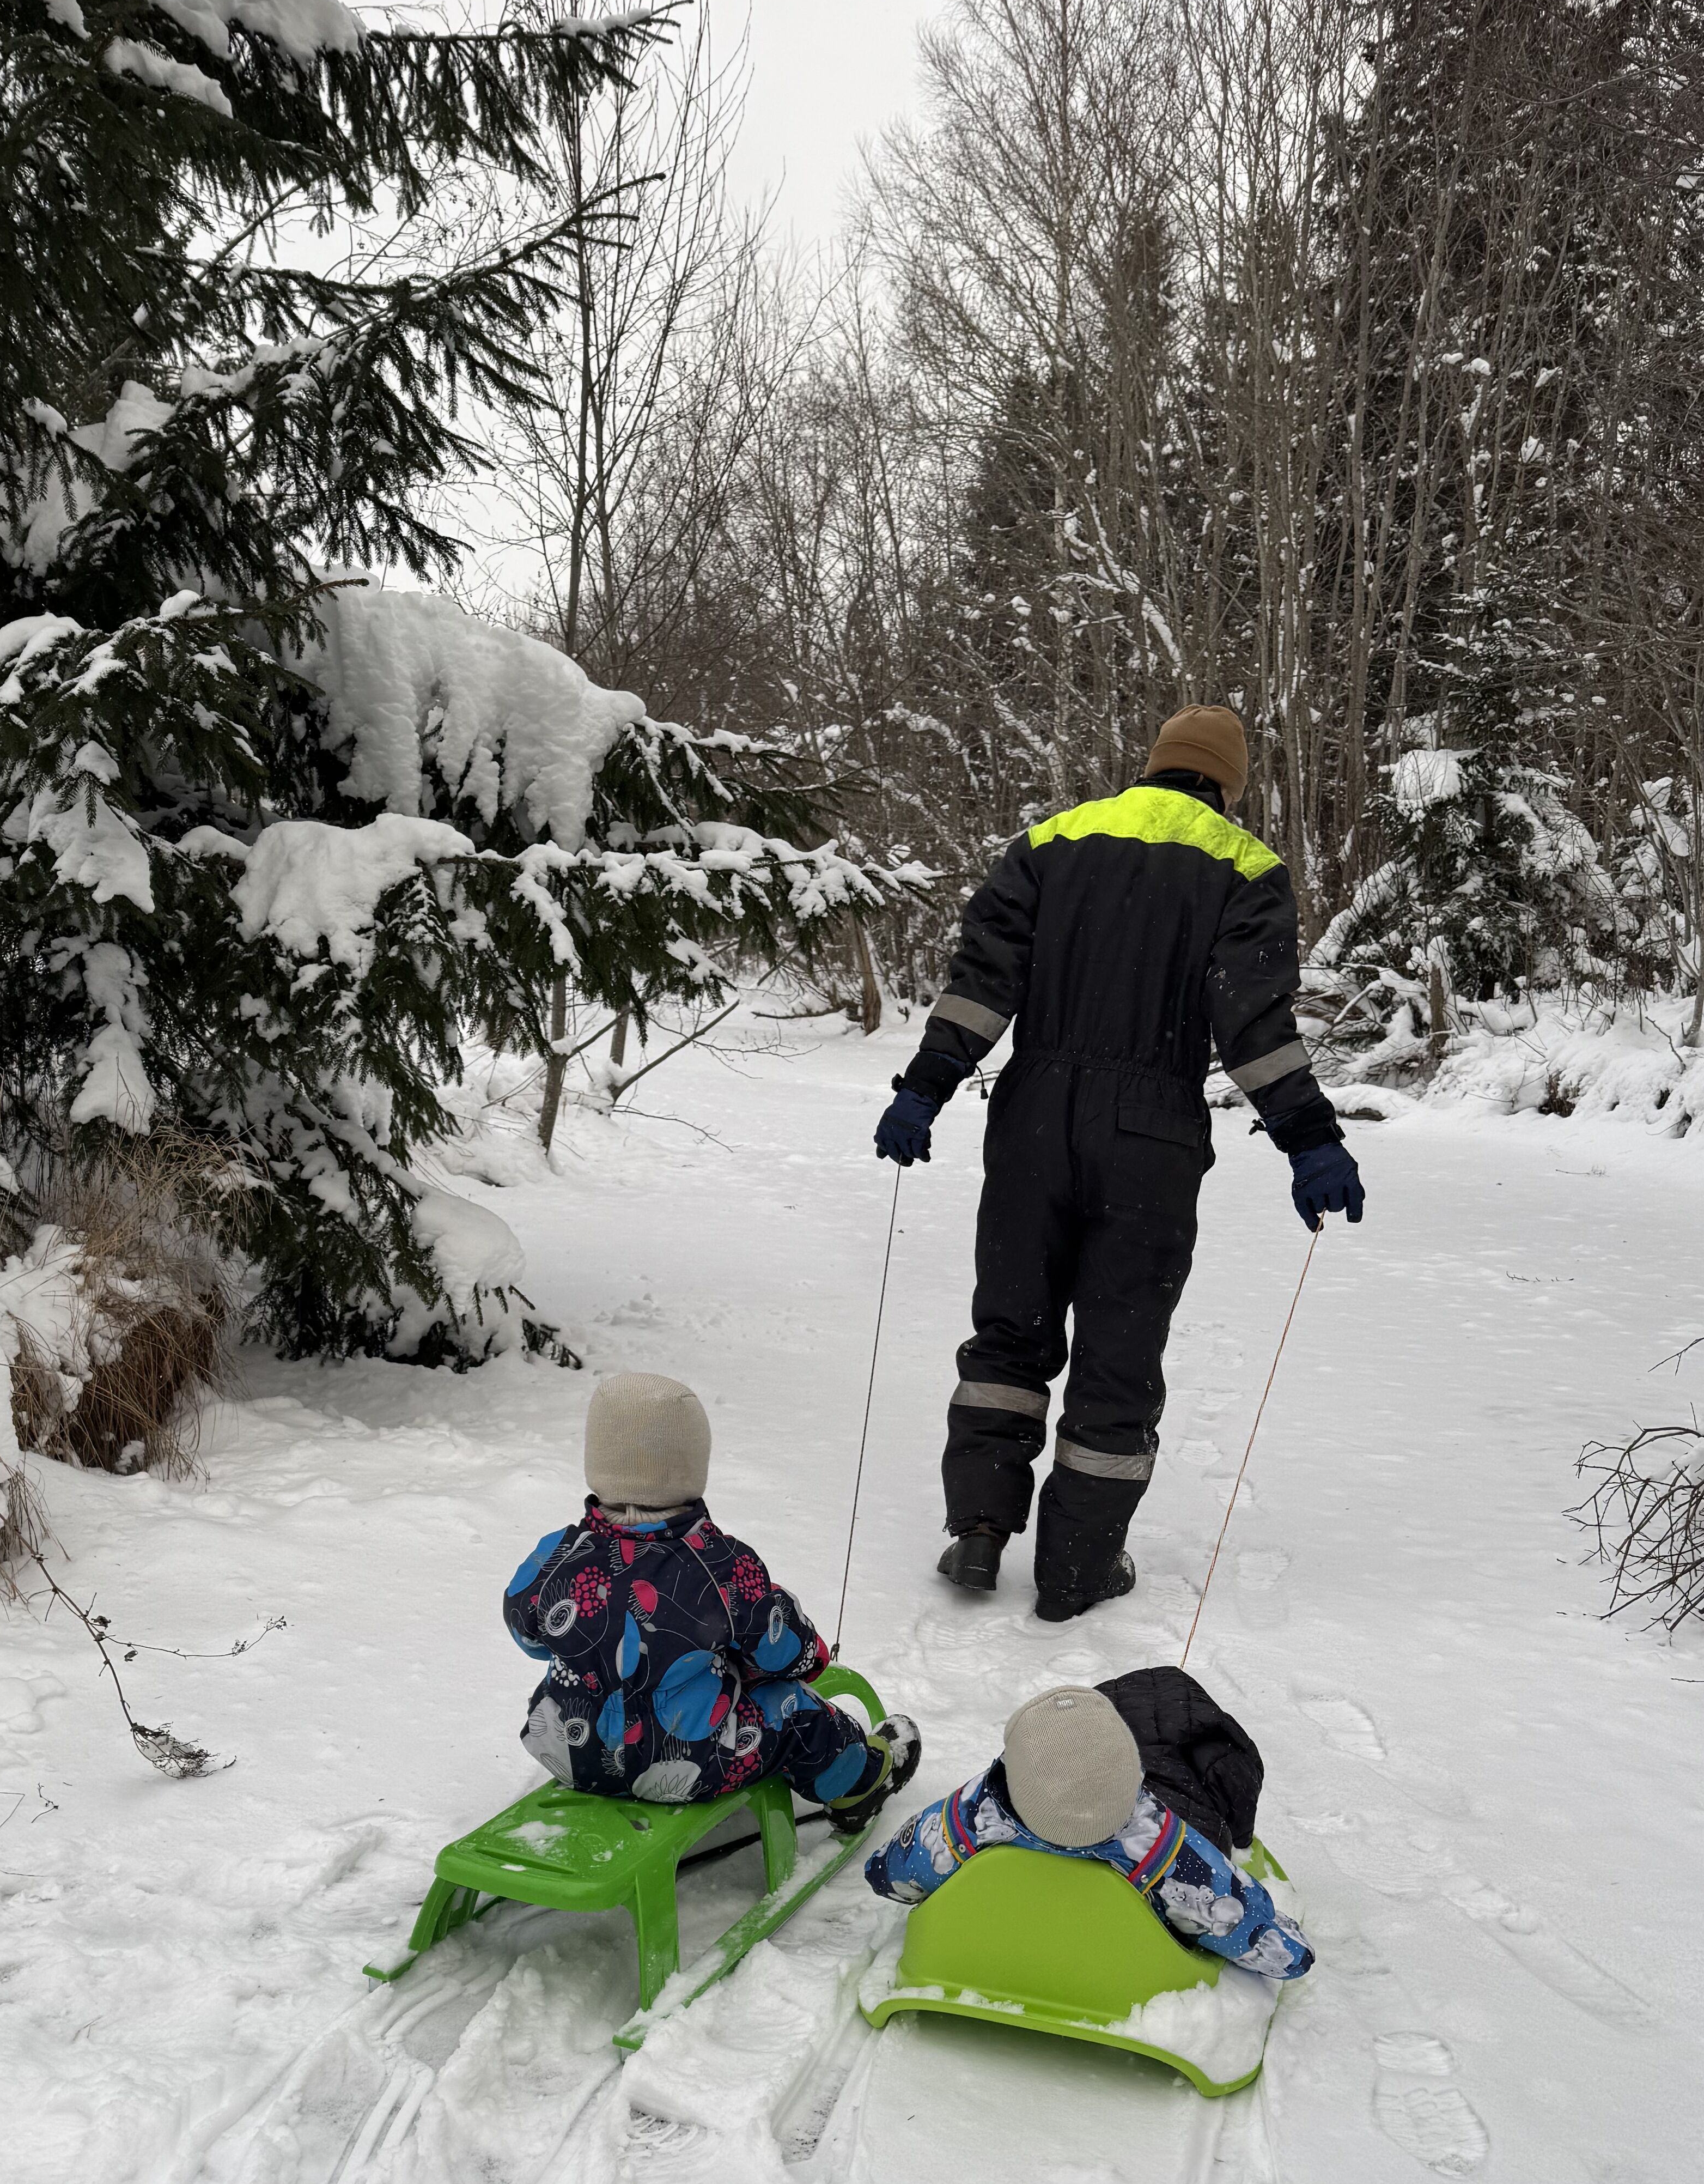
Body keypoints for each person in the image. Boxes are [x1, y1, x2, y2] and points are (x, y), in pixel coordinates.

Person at [872, 705, 1366, 1622]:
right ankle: (1077, 1568)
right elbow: (1252, 1028)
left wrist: (925, 1089)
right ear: (1226, 783)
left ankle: (978, 1528)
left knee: (1009, 1329)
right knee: (1118, 1349)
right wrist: (1309, 1140)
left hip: (1031, 1119)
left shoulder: (1051, 842)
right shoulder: (1245, 867)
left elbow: (982, 986)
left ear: (1155, 764)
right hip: (1151, 1137)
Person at [504, 1370, 920, 1834]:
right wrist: (809, 1656)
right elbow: (781, 1650)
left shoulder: (558, 1555)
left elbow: (530, 1638)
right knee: (795, 1709)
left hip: (570, 1752)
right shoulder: (720, 1564)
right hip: (691, 1763)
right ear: (691, 1466)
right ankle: (859, 1783)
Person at [863, 1673, 1312, 1983]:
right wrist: (1295, 1951)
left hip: (982, 1958)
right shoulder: (1162, 1853)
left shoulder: (966, 1824)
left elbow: (888, 1875)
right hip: (1117, 1981)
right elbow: (1259, 1937)